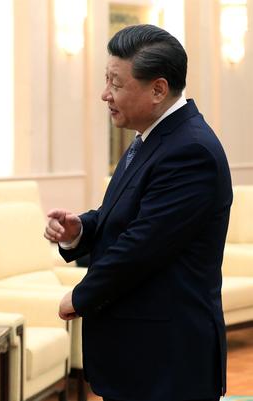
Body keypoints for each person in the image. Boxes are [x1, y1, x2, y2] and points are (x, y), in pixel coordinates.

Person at [45, 24, 232, 401]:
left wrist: (80, 296)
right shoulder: (153, 138)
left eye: (115, 84)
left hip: (168, 361)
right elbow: (127, 215)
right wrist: (80, 228)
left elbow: (143, 245)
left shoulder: (189, 151)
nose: (105, 95)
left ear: (158, 89)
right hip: (140, 357)